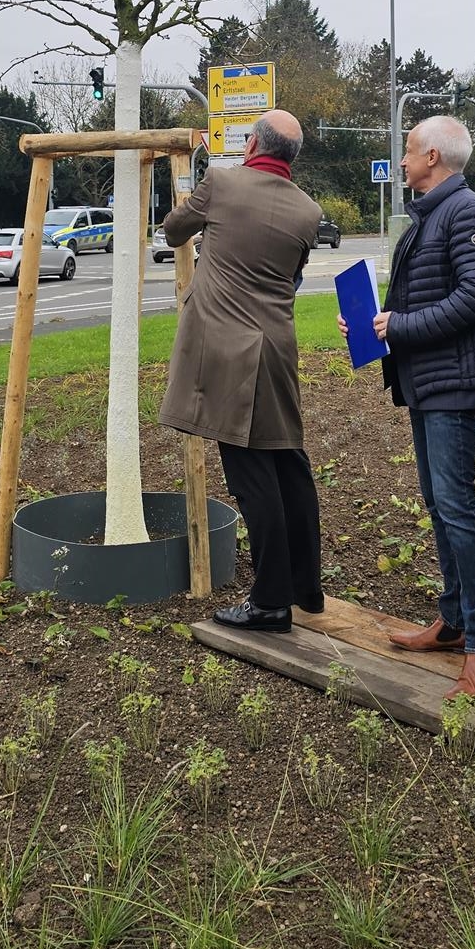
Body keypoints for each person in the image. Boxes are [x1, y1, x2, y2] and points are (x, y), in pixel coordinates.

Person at [340, 115, 475, 700]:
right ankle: (456, 620)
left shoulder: (467, 213)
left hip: (453, 384)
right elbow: (425, 296)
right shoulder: (433, 214)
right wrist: (371, 325)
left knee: (457, 507)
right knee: (440, 503)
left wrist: (401, 325)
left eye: (408, 150)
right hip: (428, 379)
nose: (403, 159)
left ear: (433, 156)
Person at [159, 109, 323, 631]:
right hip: (276, 347)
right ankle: (306, 588)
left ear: (253, 144)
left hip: (228, 354)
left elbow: (173, 231)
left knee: (253, 479)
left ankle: (271, 602)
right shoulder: (308, 210)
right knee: (289, 465)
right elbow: (290, 276)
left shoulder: (222, 183)